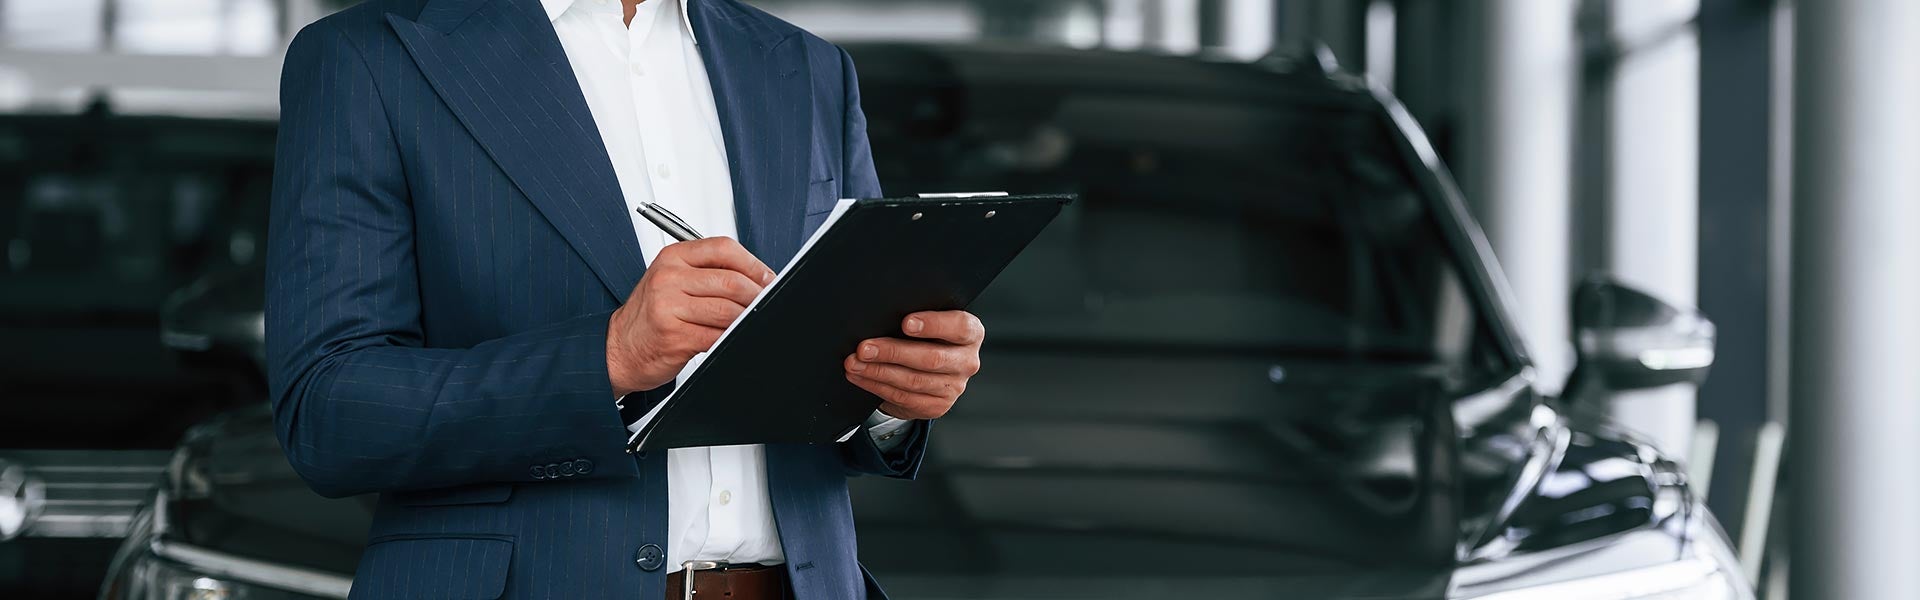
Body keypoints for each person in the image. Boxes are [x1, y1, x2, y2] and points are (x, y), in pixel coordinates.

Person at [264, 0, 984, 597]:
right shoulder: (368, 57)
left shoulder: (808, 65)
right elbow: (329, 413)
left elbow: (847, 355)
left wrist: (893, 393)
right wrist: (606, 358)